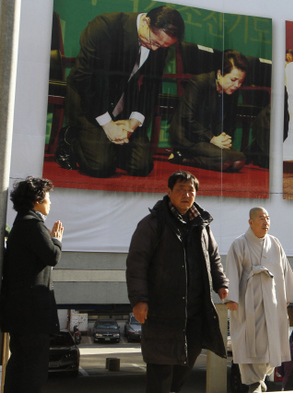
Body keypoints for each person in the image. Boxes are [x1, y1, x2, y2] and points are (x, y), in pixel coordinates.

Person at [126, 170, 229, 393]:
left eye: (191, 190)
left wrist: (220, 282)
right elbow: (137, 263)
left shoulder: (201, 224)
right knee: (160, 371)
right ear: (169, 192)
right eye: (181, 189)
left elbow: (213, 256)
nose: (186, 194)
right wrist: (139, 300)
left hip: (193, 312)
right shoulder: (153, 223)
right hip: (163, 312)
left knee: (185, 365)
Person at [57, 6, 185, 178]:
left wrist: (134, 121)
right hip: (89, 99)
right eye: (154, 42)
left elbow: (151, 85)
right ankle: (70, 137)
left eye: (162, 46)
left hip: (122, 102)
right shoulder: (106, 26)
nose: (156, 49)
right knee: (100, 167)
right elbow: (85, 79)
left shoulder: (160, 42)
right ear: (146, 22)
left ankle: (107, 146)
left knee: (141, 167)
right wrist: (107, 124)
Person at [225, 207, 293, 393]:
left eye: (268, 218)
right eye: (261, 218)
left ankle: (258, 381)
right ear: (250, 222)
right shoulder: (239, 244)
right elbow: (232, 271)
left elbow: (285, 270)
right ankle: (255, 382)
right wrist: (231, 298)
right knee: (250, 341)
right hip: (248, 302)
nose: (266, 222)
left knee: (271, 341)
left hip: (272, 302)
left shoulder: (275, 243)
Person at [1, 177, 64, 393]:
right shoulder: (33, 224)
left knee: (19, 365)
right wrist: (56, 240)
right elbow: (52, 256)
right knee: (33, 369)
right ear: (37, 199)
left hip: (20, 313)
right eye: (47, 197)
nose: (50, 202)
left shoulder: (21, 223)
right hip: (33, 315)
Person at [168, 50, 248, 172]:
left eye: (241, 82)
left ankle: (190, 157)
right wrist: (212, 138)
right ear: (220, 73)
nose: (237, 85)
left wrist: (224, 137)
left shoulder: (231, 91)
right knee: (225, 161)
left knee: (239, 160)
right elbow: (187, 118)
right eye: (233, 80)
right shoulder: (199, 83)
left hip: (209, 138)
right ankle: (182, 157)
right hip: (187, 136)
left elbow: (230, 121)